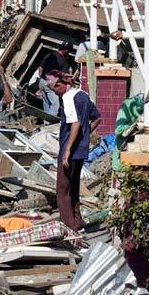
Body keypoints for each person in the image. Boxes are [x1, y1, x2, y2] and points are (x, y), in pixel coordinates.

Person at [51, 69, 101, 231]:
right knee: (73, 188)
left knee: (62, 190)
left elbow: (75, 123)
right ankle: (77, 221)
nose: (55, 92)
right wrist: (84, 135)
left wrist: (67, 150)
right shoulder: (83, 95)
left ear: (61, 85)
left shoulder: (68, 97)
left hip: (70, 150)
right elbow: (98, 118)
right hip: (81, 149)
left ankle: (68, 227)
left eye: (55, 88)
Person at [38, 43, 72, 117]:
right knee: (55, 105)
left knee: (46, 103)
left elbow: (40, 68)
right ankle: (49, 123)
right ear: (66, 51)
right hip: (51, 84)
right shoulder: (63, 61)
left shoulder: (49, 55)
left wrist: (42, 78)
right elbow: (65, 77)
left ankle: (45, 122)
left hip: (42, 81)